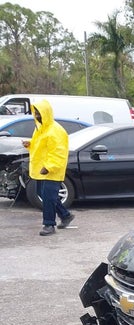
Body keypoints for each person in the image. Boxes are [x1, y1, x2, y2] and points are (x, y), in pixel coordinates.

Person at [22, 99, 75, 236]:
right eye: (35, 113)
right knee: (44, 195)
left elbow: (59, 152)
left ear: (46, 113)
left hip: (52, 170)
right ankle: (65, 215)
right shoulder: (40, 128)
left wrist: (49, 167)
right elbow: (41, 146)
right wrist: (30, 144)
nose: (37, 116)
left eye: (39, 113)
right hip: (41, 169)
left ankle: (49, 224)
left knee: (48, 197)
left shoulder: (56, 130)